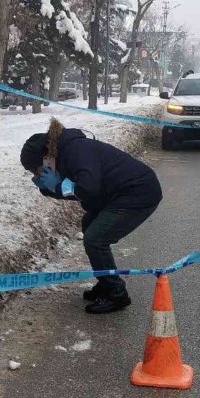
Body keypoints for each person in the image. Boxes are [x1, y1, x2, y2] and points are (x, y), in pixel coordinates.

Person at [21, 119, 162, 314]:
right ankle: (106, 282)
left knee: (95, 239)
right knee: (89, 224)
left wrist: (56, 186)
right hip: (115, 195)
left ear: (45, 158)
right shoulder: (62, 154)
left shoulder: (76, 150)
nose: (36, 173)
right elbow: (78, 191)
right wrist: (49, 189)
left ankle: (117, 293)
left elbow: (88, 188)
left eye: (34, 169)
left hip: (138, 192)